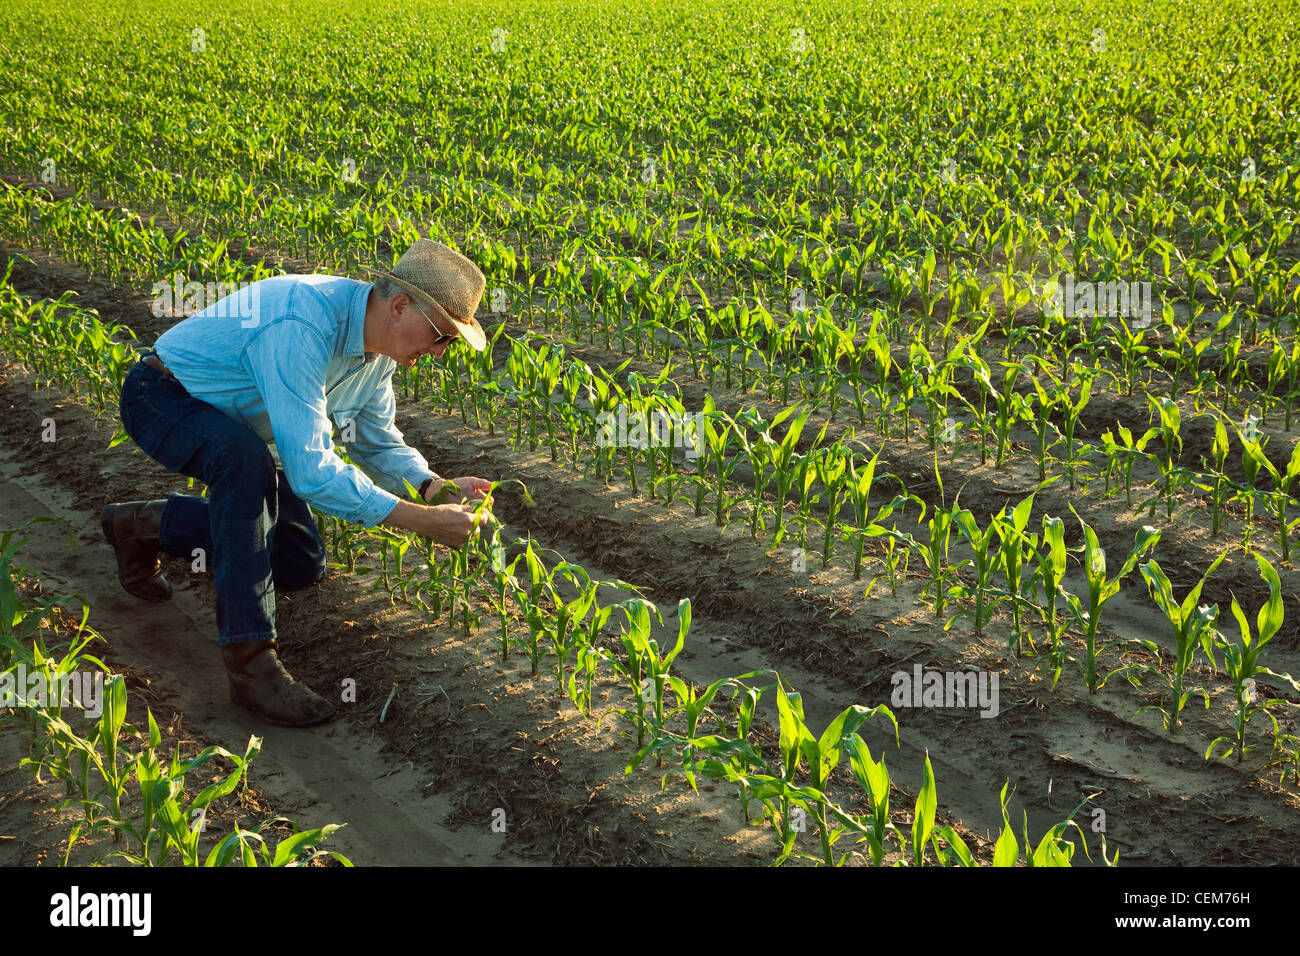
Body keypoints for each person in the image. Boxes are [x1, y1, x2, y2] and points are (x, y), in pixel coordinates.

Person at [102, 238, 494, 727]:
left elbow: (375, 439)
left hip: (245, 427)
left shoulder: (377, 355)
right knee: (243, 463)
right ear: (399, 306)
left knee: (299, 562)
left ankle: (142, 525)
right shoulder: (302, 323)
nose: (438, 353)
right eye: (442, 337)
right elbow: (311, 473)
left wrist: (432, 487)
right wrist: (419, 521)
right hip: (163, 397)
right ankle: (252, 669)